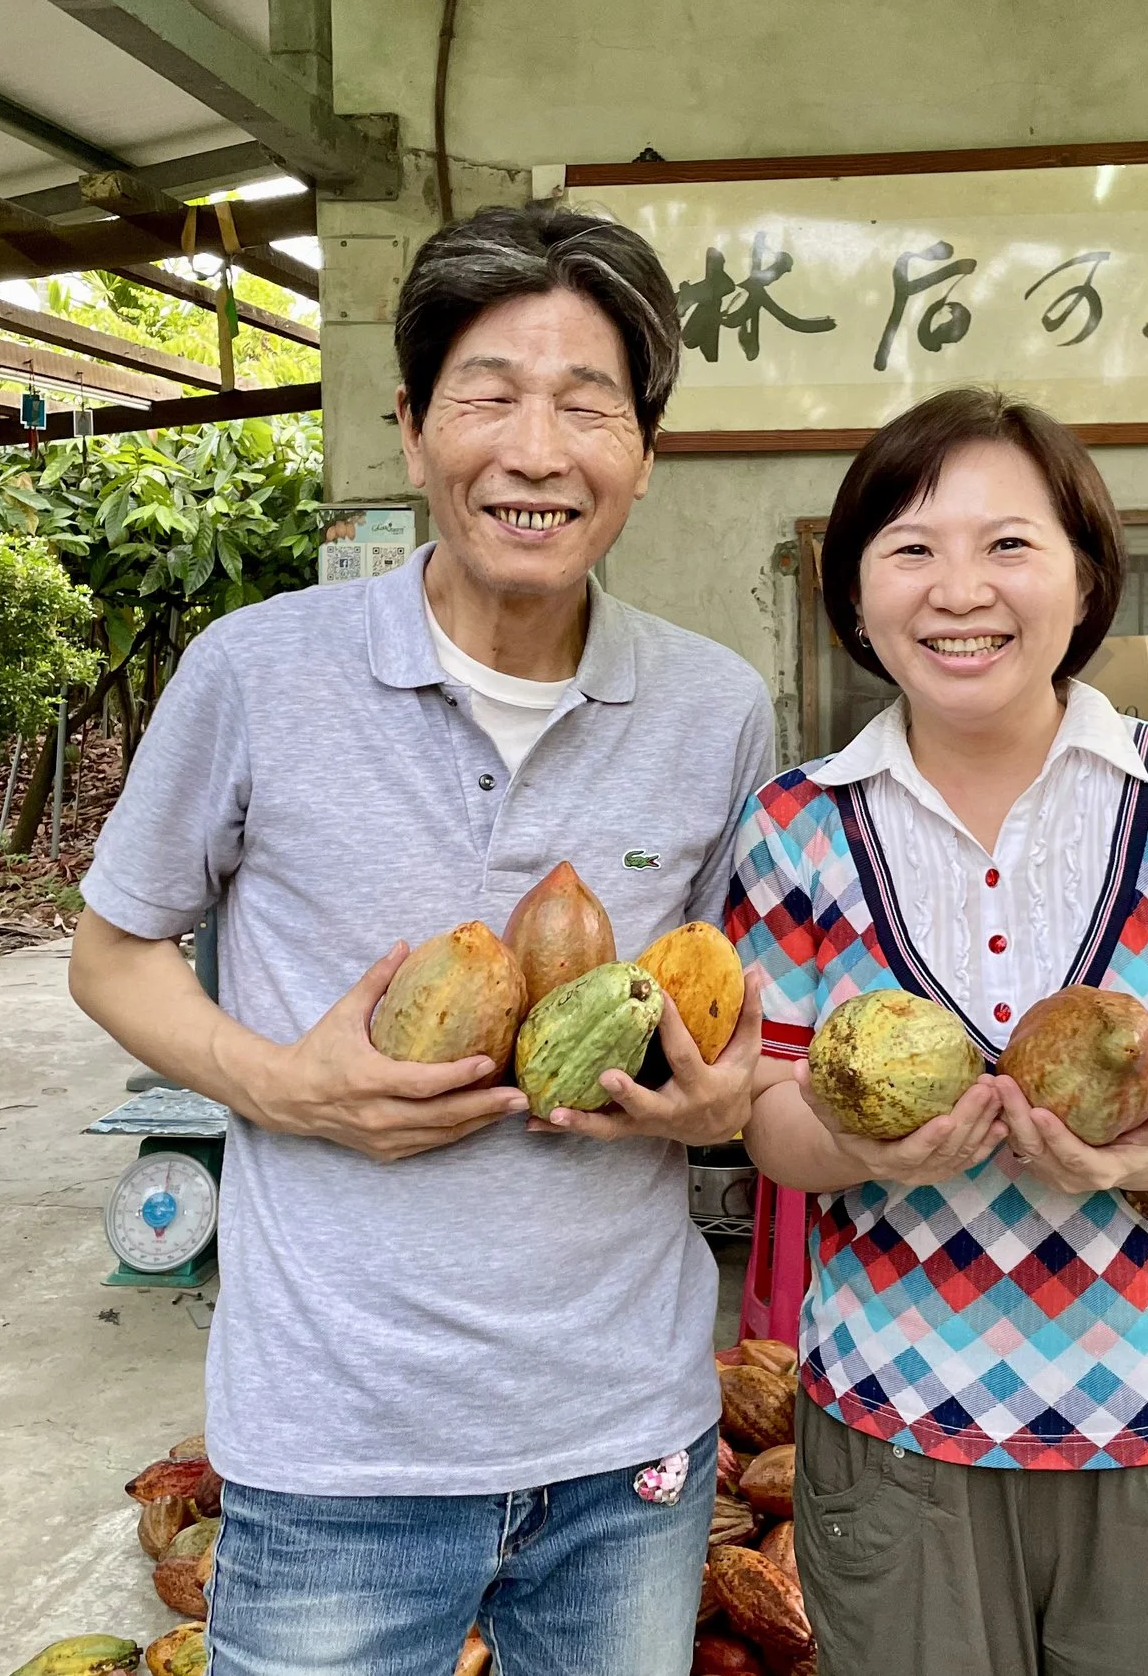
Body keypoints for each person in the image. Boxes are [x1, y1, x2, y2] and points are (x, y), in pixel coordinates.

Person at [69, 205, 776, 1676]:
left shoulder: (717, 707)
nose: (537, 448)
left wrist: (725, 1109)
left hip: (625, 1446)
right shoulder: (258, 673)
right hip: (338, 1447)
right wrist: (280, 1083)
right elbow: (112, 952)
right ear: (410, 426)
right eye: (489, 395)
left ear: (644, 452)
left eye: (589, 405)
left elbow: (726, 1013)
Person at [730, 388, 1148, 1676]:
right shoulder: (795, 825)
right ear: (854, 596)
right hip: (900, 1443)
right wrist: (869, 1152)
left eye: (1009, 543)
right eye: (911, 548)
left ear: (1084, 576)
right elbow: (772, 1120)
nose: (962, 589)